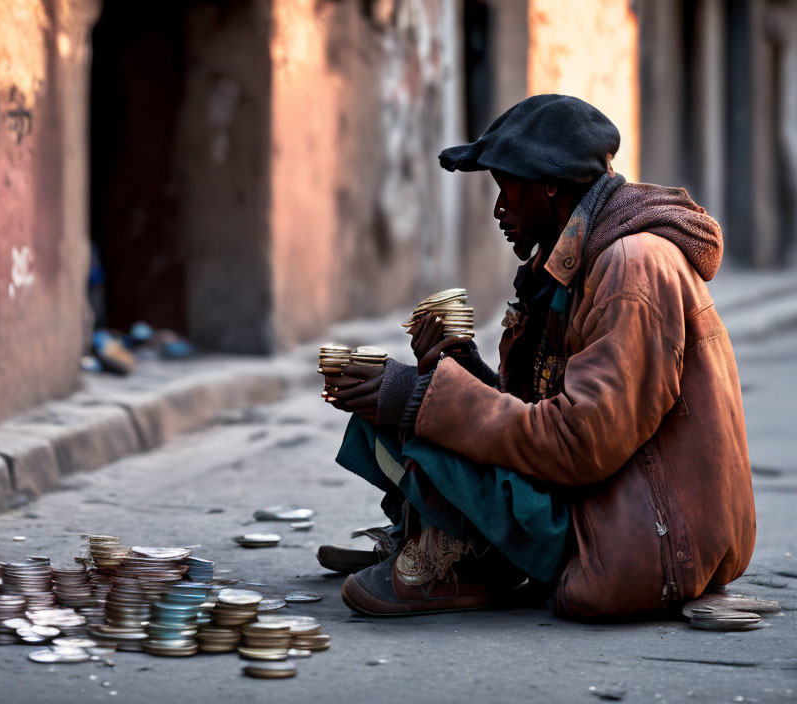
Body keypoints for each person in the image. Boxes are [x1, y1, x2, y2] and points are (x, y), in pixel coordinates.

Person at [317, 94, 755, 619]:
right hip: (590, 490)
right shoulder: (566, 256)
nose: (499, 210)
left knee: (420, 420)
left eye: (507, 190)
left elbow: (580, 442)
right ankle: (433, 536)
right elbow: (535, 410)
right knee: (386, 413)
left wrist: (426, 399)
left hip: (646, 536)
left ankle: (471, 561)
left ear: (551, 185)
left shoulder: (631, 266)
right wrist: (462, 371)